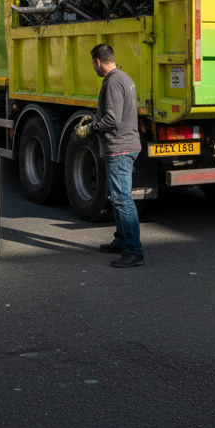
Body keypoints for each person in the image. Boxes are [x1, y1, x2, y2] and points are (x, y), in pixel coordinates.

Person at [75, 43, 143, 268]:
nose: (93, 67)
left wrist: (91, 129)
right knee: (119, 197)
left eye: (92, 64)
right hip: (125, 144)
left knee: (123, 199)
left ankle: (134, 251)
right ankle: (122, 240)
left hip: (120, 147)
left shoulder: (113, 82)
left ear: (97, 61)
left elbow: (112, 119)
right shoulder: (124, 77)